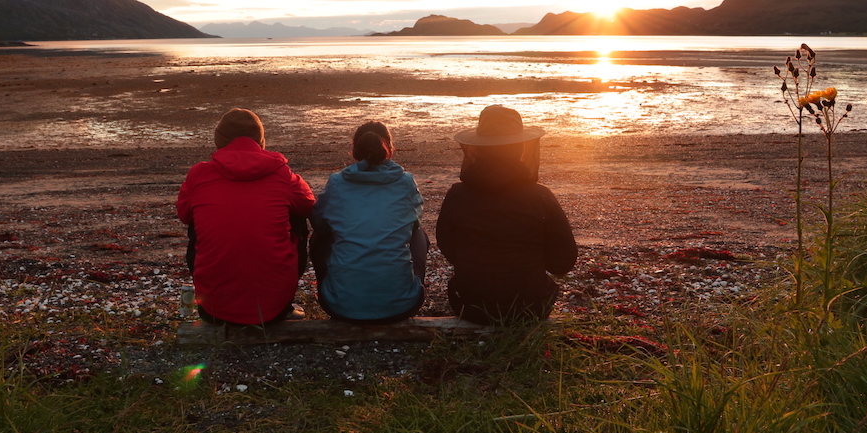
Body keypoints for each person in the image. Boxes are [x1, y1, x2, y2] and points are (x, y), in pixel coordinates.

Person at [436, 105, 577, 325]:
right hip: (530, 308)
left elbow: (448, 247)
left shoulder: (457, 195)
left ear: (478, 149)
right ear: (520, 148)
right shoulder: (541, 197)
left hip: (471, 306)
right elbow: (563, 262)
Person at [177, 108, 315, 326]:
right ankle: (280, 299)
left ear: (219, 141)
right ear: (260, 140)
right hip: (273, 311)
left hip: (213, 311)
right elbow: (309, 206)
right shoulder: (282, 174)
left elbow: (183, 214)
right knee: (297, 216)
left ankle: (218, 291)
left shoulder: (199, 174)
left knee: (196, 220)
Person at [310, 121, 427, 323]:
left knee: (321, 235)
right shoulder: (406, 181)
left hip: (339, 308)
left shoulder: (337, 182)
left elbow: (318, 222)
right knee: (418, 232)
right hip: (403, 306)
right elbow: (415, 220)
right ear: (389, 149)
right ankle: (407, 285)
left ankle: (330, 287)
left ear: (355, 150)